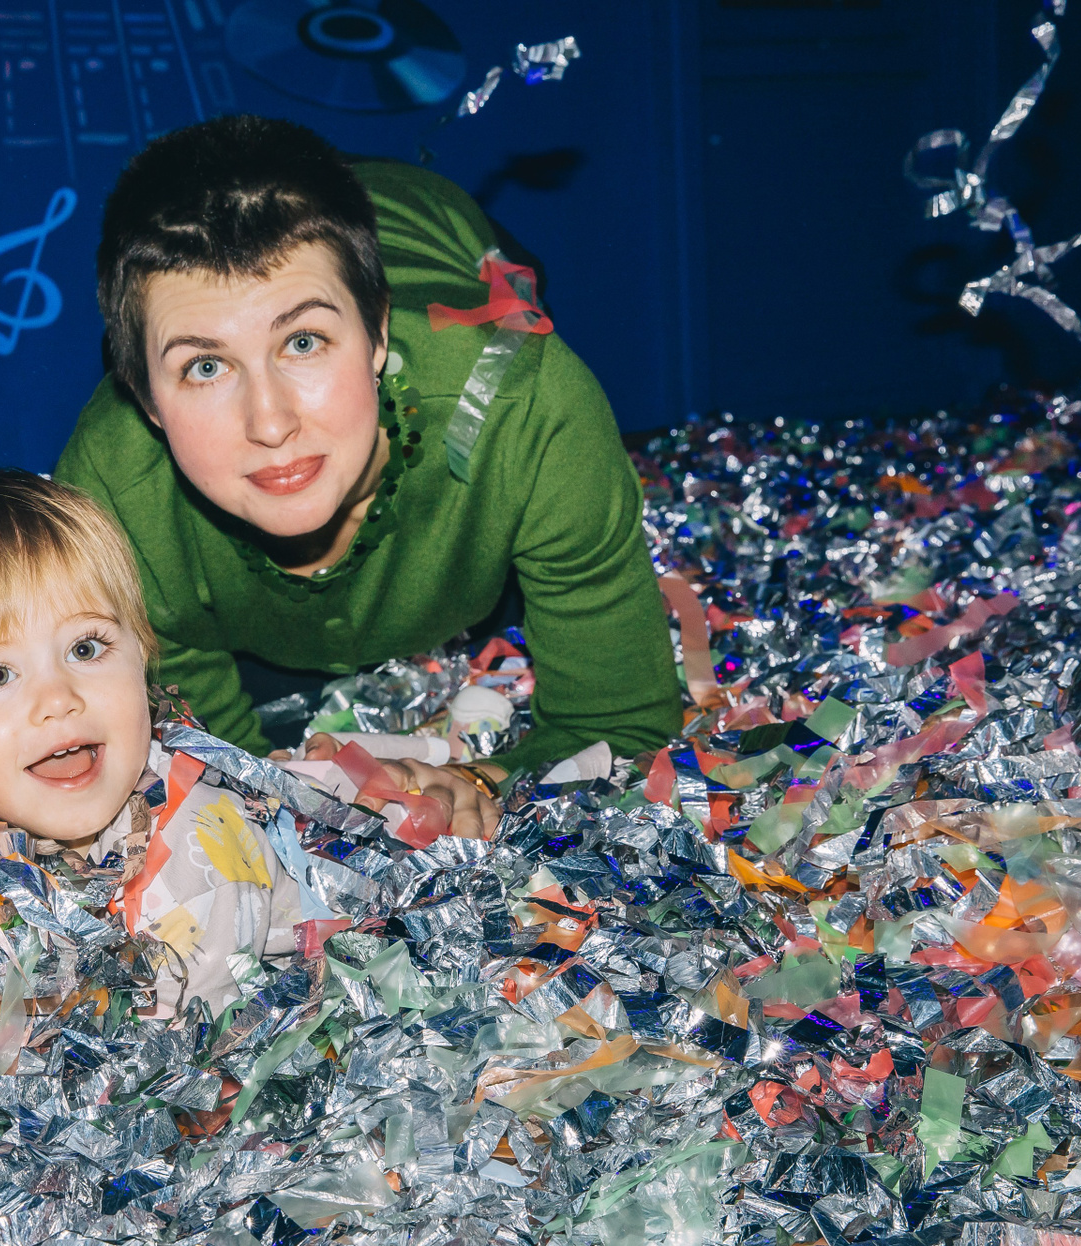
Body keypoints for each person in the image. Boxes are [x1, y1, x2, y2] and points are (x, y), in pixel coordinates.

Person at [55, 115, 678, 835]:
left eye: (304, 341)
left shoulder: (529, 412)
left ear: (378, 333)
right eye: (205, 366)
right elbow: (218, 770)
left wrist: (476, 781)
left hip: (437, 233)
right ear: (143, 397)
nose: (270, 422)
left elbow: (620, 727)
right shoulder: (112, 498)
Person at [0, 470, 303, 1016]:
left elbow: (182, 1050)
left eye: (85, 649)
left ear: (142, 654)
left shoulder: (202, 857)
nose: (58, 699)